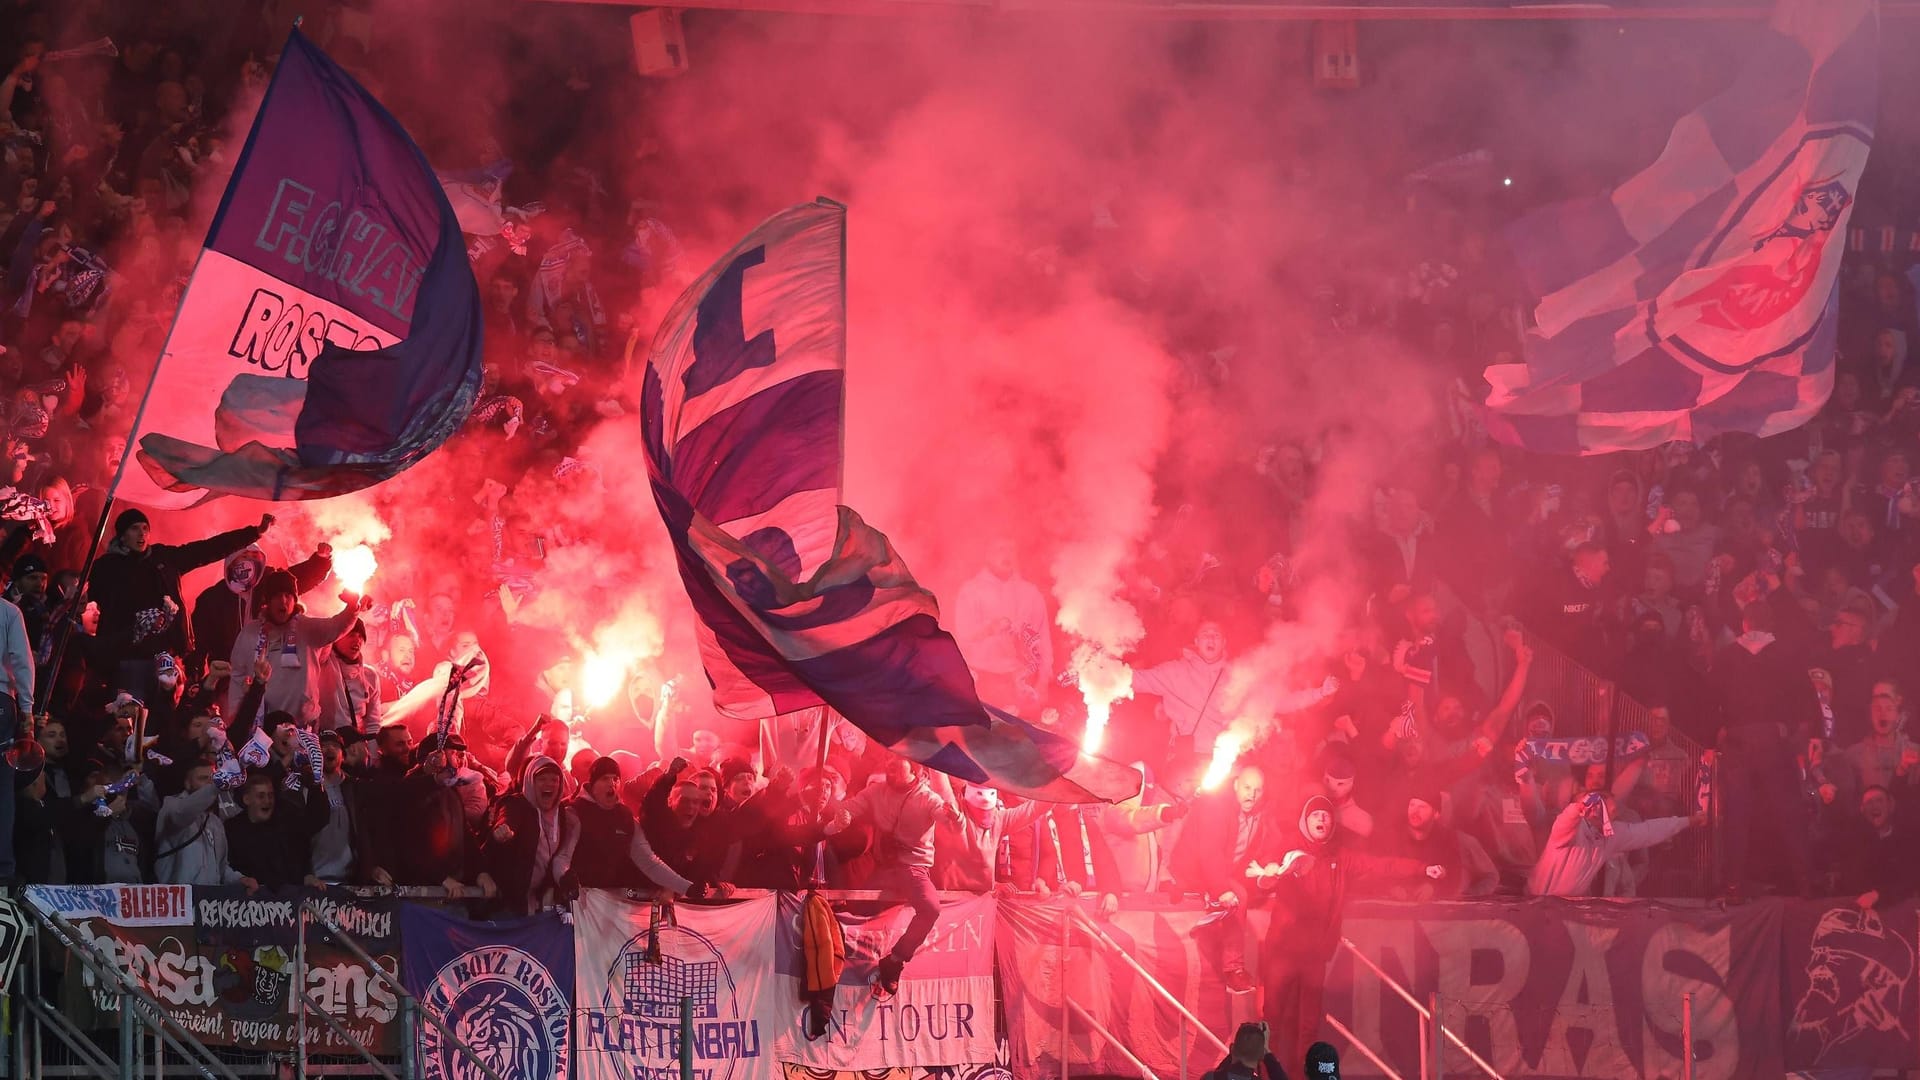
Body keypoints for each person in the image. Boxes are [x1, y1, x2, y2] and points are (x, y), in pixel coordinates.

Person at [90, 508, 272, 698]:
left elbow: (207, 549)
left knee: (164, 717)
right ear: (122, 535)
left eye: (145, 528)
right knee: (129, 717)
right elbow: (103, 606)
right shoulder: (107, 567)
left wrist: (254, 532)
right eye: (135, 529)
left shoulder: (164, 557)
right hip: (128, 660)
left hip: (166, 658)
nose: (142, 533)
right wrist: (139, 621)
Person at [826, 757, 960, 995]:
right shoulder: (876, 791)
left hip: (912, 868)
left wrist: (955, 817)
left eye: (897, 765)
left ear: (914, 769)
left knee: (930, 909)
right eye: (888, 762)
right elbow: (850, 806)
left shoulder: (927, 797)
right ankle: (835, 964)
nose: (891, 766)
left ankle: (895, 959)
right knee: (855, 910)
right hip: (885, 868)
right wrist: (833, 808)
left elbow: (949, 822)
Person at [224, 570, 368, 727]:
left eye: (288, 595)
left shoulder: (307, 628)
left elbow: (337, 626)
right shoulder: (250, 632)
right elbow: (238, 675)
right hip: (260, 724)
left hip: (302, 725)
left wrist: (353, 608)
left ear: (295, 599)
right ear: (268, 601)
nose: (283, 601)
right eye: (277, 596)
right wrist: (234, 716)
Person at [187, 541, 331, 676]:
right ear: (230, 562)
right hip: (229, 675)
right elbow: (199, 642)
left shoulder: (269, 583)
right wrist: (194, 675)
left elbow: (299, 578)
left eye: (252, 558)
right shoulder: (212, 598)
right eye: (241, 558)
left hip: (270, 669)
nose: (246, 565)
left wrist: (320, 561)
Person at [1527, 791, 1703, 897]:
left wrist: (1690, 821)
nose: (1614, 814)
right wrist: (1579, 807)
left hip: (1568, 907)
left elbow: (1649, 831)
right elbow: (1565, 820)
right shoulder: (1571, 830)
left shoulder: (1612, 835)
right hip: (1535, 903)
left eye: (1614, 811)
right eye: (1609, 810)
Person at [952, 538, 1052, 714]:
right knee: (985, 739)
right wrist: (990, 628)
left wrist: (1043, 681)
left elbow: (1042, 639)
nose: (1007, 555)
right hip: (982, 680)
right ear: (987, 555)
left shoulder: (1029, 593)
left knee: (1022, 737)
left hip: (1019, 682)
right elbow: (962, 633)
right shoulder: (971, 591)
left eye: (1011, 549)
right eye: (1000, 549)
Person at [570, 755, 692, 895]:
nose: (612, 783)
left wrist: (687, 887)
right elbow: (562, 857)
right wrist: (565, 878)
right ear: (592, 784)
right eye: (604, 778)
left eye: (615, 779)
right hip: (581, 901)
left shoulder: (625, 817)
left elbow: (649, 862)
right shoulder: (576, 812)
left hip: (611, 902)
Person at [482, 754, 579, 916]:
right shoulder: (515, 804)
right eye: (542, 779)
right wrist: (503, 830)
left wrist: (558, 882)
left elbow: (556, 857)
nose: (549, 784)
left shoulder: (561, 814)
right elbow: (507, 818)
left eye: (554, 780)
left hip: (537, 905)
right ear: (529, 781)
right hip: (506, 904)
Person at [224, 770, 330, 890]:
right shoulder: (232, 829)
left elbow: (302, 856)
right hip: (248, 902)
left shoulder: (286, 825)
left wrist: (307, 876)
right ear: (246, 799)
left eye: (270, 795)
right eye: (261, 796)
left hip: (288, 899)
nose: (267, 801)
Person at [154, 757, 240, 886]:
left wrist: (239, 879)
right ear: (188, 783)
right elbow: (182, 813)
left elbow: (221, 869)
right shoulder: (171, 806)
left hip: (208, 902)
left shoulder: (215, 821)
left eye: (213, 778)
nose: (210, 783)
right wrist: (215, 786)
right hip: (178, 902)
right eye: (203, 778)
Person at [1202, 1022, 1290, 1080]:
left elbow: (1220, 1073)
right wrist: (1267, 1051)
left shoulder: (1210, 1078)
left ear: (1232, 1049)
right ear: (1261, 1055)